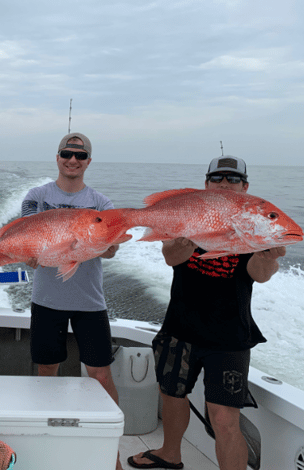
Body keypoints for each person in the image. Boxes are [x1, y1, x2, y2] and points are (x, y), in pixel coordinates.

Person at [128, 155, 285, 470]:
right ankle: (170, 454)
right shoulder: (191, 212)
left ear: (245, 187)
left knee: (224, 416)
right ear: (206, 184)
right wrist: (184, 242)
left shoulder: (253, 221)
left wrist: (267, 253)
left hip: (230, 336)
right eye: (217, 178)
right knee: (172, 395)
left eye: (232, 179)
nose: (224, 184)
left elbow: (260, 274)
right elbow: (171, 257)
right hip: (180, 327)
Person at [22, 132, 123, 470]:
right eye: (67, 153)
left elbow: (111, 248)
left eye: (80, 156)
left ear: (88, 162)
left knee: (100, 373)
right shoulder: (36, 196)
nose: (73, 160)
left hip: (90, 302)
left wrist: (108, 245)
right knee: (47, 368)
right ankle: (44, 439)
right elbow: (26, 236)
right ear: (57, 157)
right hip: (47, 299)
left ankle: (112, 449)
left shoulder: (102, 203)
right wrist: (27, 254)